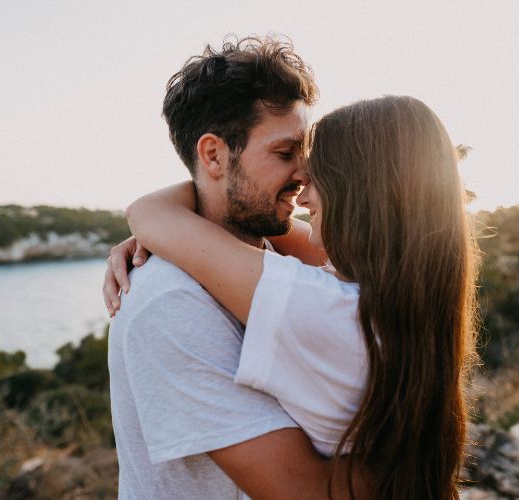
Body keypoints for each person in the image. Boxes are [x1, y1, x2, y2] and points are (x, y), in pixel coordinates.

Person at [106, 95, 479, 498]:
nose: (302, 189)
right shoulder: (404, 298)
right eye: (286, 153)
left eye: (318, 173)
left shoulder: (326, 307)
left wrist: (175, 222)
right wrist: (183, 226)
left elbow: (148, 213)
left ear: (360, 194)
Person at [106, 36, 365, 500]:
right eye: (285, 154)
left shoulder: (285, 264)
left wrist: (160, 215)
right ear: (213, 156)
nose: (305, 175)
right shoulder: (171, 302)